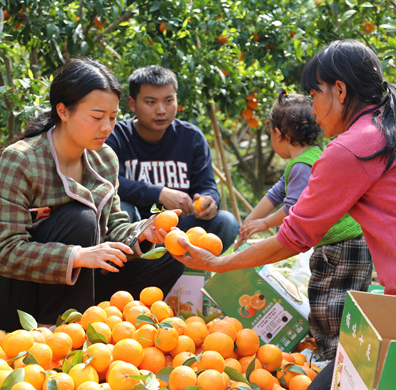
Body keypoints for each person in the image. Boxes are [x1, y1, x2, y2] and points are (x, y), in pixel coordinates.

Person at [172, 39, 396, 389]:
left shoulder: (351, 149)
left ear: (339, 90)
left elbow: (291, 240)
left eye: (314, 94)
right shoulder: (385, 128)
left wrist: (216, 264)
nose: (313, 108)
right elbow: (278, 197)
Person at [0, 58, 184, 332]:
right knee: (80, 219)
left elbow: (113, 229)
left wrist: (143, 233)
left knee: (171, 253)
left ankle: (99, 323)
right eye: (97, 117)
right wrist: (77, 256)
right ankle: (58, 331)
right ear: (63, 111)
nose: (106, 128)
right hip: (13, 295)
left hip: (81, 283)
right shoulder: (21, 161)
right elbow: (4, 253)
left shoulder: (104, 159)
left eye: (112, 117)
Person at [234, 89, 372, 360]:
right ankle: (345, 357)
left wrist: (262, 223)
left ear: (278, 134)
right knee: (346, 304)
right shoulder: (307, 158)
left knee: (327, 305)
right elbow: (275, 194)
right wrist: (249, 223)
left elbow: (292, 209)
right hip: (354, 243)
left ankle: (332, 360)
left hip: (338, 247)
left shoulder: (302, 167)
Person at [105, 65, 239, 254]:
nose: (161, 110)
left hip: (180, 229)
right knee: (123, 209)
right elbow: (111, 184)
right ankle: (134, 270)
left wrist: (209, 200)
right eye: (151, 102)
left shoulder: (191, 138)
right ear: (133, 104)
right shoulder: (117, 137)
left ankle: (189, 273)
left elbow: (207, 185)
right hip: (137, 228)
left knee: (226, 222)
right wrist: (159, 193)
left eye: (169, 100)